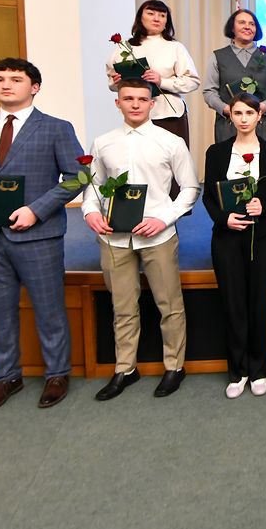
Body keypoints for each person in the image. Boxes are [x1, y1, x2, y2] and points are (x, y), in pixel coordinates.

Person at [0, 58, 85, 414]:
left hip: (39, 236)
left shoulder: (56, 128)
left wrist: (36, 209)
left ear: (34, 87)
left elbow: (78, 177)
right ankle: (6, 377)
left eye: (16, 79)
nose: (6, 84)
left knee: (49, 310)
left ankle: (57, 374)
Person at [83, 79, 201, 400]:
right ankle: (125, 369)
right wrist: (90, 212)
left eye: (141, 99)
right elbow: (93, 187)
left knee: (169, 304)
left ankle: (174, 366)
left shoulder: (171, 142)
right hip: (114, 238)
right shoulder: (103, 143)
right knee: (122, 306)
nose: (135, 104)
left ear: (152, 104)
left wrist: (164, 218)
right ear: (118, 103)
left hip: (158, 235)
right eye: (128, 99)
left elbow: (190, 188)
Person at [202, 93, 266, 398]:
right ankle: (237, 371)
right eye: (237, 113)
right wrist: (224, 219)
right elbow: (208, 196)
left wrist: (264, 207)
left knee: (260, 303)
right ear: (230, 116)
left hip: (262, 238)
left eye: (249, 113)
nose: (243, 119)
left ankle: (259, 369)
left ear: (259, 116)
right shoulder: (216, 152)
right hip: (226, 238)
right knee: (233, 303)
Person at [106, 0, 200, 147]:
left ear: (167, 22)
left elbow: (193, 81)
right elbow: (112, 82)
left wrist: (162, 81)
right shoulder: (125, 47)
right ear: (140, 18)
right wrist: (116, 82)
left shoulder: (175, 47)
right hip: (136, 114)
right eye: (151, 13)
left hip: (169, 114)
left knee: (172, 156)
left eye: (162, 15)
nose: (157, 18)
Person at [203, 8, 266, 144]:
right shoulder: (217, 56)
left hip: (262, 125)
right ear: (232, 28)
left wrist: (264, 107)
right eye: (242, 22)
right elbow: (209, 92)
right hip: (228, 125)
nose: (247, 27)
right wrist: (226, 110)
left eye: (252, 24)